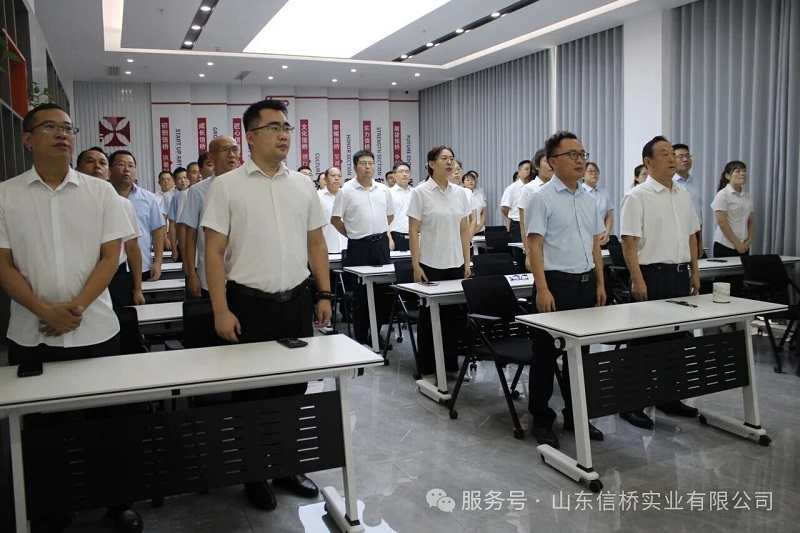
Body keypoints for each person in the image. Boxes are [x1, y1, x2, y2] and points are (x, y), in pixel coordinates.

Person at [0, 103, 142, 533]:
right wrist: (43, 310)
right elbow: (3, 264)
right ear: (28, 139)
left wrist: (75, 307)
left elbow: (111, 256)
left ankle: (118, 503)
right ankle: (52, 509)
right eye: (50, 127)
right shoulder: (6, 195)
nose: (62, 134)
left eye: (67, 128)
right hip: (32, 333)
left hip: (96, 330)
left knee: (108, 425)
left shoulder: (101, 193)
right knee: (43, 432)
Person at [202, 98, 331, 512]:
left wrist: (324, 293)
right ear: (251, 136)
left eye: (286, 128)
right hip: (248, 306)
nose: (283, 135)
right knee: (252, 397)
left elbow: (316, 242)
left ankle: (287, 468)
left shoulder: (302, 185)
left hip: (295, 302)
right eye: (273, 127)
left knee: (293, 392)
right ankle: (253, 474)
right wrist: (220, 309)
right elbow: (212, 252)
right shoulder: (227, 186)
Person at [523, 132, 606, 448]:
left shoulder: (588, 198)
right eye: (572, 154)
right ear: (553, 161)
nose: (580, 160)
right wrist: (542, 290)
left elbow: (595, 245)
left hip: (585, 285)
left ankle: (576, 416)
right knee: (545, 357)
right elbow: (535, 246)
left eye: (582, 154)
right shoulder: (541, 198)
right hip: (555, 286)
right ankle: (541, 419)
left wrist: (600, 282)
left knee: (580, 356)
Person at [619, 135, 701, 429]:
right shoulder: (637, 196)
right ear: (648, 161)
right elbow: (629, 241)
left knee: (676, 340)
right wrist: (637, 279)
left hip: (679, 275)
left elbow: (691, 236)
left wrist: (694, 272)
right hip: (651, 276)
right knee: (644, 342)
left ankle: (669, 397)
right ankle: (630, 403)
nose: (672, 158)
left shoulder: (682, 194)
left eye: (673, 154)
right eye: (664, 154)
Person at [408, 146, 472, 382]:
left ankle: (451, 365)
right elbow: (413, 231)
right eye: (443, 158)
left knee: (453, 318)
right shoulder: (421, 192)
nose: (449, 163)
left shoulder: (460, 193)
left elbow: (464, 229)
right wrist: (416, 265)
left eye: (451, 159)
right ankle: (427, 369)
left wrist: (467, 260)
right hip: (430, 264)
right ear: (431, 164)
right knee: (429, 319)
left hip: (456, 263)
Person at [330, 149, 394, 345]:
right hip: (358, 246)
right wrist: (352, 234)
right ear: (355, 167)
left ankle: (377, 334)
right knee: (360, 294)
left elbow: (390, 215)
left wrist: (379, 231)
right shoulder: (346, 191)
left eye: (371, 163)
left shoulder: (383, 189)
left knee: (382, 291)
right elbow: (335, 219)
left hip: (381, 244)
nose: (368, 167)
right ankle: (361, 337)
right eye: (363, 163)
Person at [76, 147, 144, 307]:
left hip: (116, 277)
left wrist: (138, 289)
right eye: (90, 161)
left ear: (109, 173)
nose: (97, 167)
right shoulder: (69, 203)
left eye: (102, 163)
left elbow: (132, 248)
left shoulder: (123, 204)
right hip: (80, 275)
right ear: (77, 170)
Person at [178, 135, 240, 299]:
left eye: (235, 149)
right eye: (225, 150)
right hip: (209, 276)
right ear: (211, 156)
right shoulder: (198, 191)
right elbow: (190, 234)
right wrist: (191, 274)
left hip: (242, 276)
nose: (232, 155)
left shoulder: (247, 187)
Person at [109, 150, 165, 281]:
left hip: (142, 266)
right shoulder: (103, 197)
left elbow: (158, 230)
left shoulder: (149, 198)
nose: (126, 169)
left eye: (131, 165)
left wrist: (157, 262)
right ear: (110, 169)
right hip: (109, 268)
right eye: (121, 164)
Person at [711, 161, 754, 297]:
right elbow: (722, 222)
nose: (742, 174)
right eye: (737, 171)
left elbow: (751, 221)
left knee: (738, 283)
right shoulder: (723, 195)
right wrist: (737, 244)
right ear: (728, 175)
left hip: (743, 245)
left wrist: (749, 240)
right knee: (724, 283)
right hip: (725, 245)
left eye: (744, 170)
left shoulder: (747, 196)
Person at [518, 149, 554, 271]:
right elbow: (523, 224)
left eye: (553, 161)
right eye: (546, 161)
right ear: (537, 166)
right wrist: (528, 253)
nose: (551, 165)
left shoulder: (559, 189)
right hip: (538, 246)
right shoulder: (529, 189)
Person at [673, 143, 704, 258]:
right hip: (677, 232)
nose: (685, 159)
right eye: (680, 156)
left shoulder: (695, 182)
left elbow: (698, 213)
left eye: (687, 156)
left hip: (695, 231)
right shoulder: (669, 183)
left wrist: (700, 241)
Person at [501, 160, 532, 268]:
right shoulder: (512, 188)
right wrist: (512, 217)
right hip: (518, 225)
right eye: (526, 169)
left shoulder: (534, 187)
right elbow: (504, 207)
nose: (529, 172)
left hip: (532, 225)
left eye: (531, 169)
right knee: (520, 256)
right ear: (519, 172)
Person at [582, 162, 614, 246]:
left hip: (601, 238)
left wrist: (607, 232)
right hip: (583, 239)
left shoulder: (604, 193)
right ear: (582, 175)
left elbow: (609, 215)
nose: (594, 173)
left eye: (596, 171)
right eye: (590, 171)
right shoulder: (579, 192)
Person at [318, 166, 347, 254]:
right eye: (333, 175)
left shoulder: (346, 195)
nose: (337, 178)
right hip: (327, 247)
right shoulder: (317, 196)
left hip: (347, 246)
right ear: (325, 179)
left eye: (339, 176)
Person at [387, 162, 414, 252]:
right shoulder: (388, 193)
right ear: (394, 175)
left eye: (407, 171)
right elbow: (383, 218)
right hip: (395, 237)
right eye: (401, 171)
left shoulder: (416, 193)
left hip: (414, 236)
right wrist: (389, 238)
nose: (405, 174)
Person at [167, 166, 187, 260]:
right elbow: (172, 224)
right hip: (183, 241)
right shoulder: (175, 197)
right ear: (175, 181)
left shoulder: (196, 192)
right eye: (179, 179)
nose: (183, 181)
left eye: (185, 177)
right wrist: (174, 249)